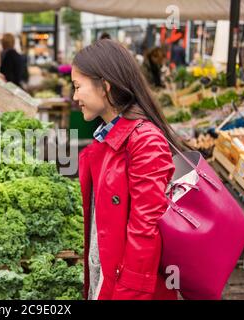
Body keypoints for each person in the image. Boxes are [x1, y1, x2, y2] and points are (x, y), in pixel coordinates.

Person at [71, 39, 183, 300]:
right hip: (109, 279)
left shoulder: (145, 140)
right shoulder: (110, 137)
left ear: (105, 86)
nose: (75, 97)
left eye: (78, 87)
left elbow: (146, 232)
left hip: (130, 289)